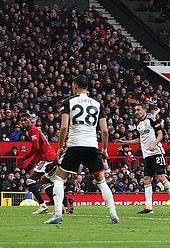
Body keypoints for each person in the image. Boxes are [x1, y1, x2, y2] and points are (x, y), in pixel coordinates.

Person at [45, 75, 119, 224]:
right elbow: (105, 131)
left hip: (75, 145)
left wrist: (60, 147)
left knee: (59, 178)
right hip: (92, 145)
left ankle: (58, 214)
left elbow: (64, 127)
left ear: (75, 86)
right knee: (101, 182)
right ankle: (114, 215)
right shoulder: (97, 104)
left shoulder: (68, 102)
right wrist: (104, 149)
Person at [117, 103, 170, 214]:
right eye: (135, 110)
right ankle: (149, 207)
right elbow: (139, 140)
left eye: (138, 109)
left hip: (156, 153)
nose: (136, 112)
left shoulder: (151, 119)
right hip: (147, 155)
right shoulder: (139, 125)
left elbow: (160, 134)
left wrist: (154, 144)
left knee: (161, 177)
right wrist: (124, 142)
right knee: (146, 179)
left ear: (144, 110)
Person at [18, 113, 58, 215]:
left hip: (47, 158)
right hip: (48, 158)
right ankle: (61, 205)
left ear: (30, 120)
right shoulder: (33, 130)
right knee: (46, 182)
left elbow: (36, 148)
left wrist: (27, 157)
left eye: (25, 120)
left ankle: (43, 205)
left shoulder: (33, 130)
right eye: (21, 120)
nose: (23, 122)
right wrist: (32, 163)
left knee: (30, 180)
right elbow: (38, 149)